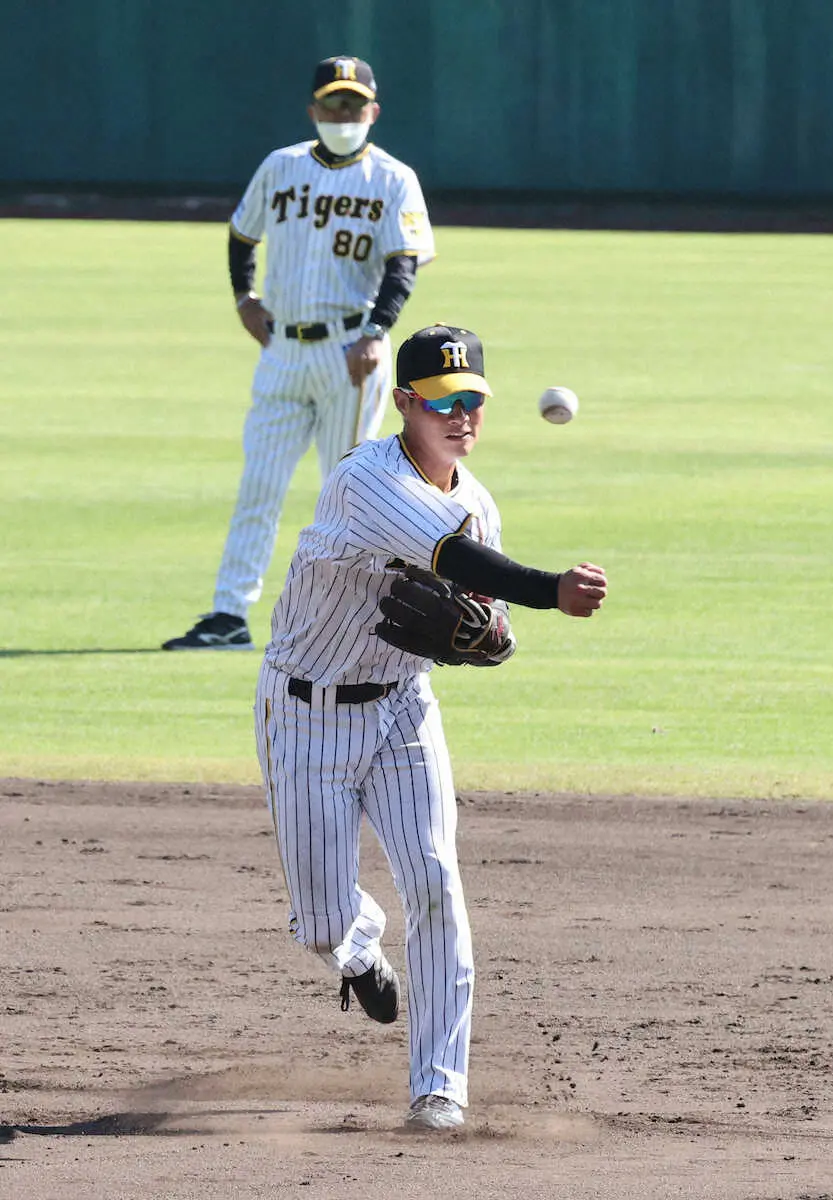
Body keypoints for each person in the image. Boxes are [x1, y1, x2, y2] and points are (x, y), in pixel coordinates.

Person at [253, 324, 609, 1130]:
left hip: (402, 713)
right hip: (304, 714)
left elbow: (483, 619)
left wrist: (495, 637)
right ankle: (357, 945)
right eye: (444, 403)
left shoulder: (477, 502)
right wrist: (551, 590)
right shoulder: (364, 480)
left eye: (473, 401)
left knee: (437, 882)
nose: (462, 417)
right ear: (404, 404)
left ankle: (438, 1088)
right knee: (319, 925)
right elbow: (460, 565)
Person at [163, 55, 434, 651]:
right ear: (313, 110)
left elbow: (403, 265)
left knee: (353, 493)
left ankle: (364, 620)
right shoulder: (281, 167)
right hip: (282, 349)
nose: (343, 115)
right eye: (333, 104)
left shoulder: (392, 178)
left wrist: (375, 330)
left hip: (350, 352)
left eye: (354, 105)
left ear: (373, 111)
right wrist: (245, 298)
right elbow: (242, 234)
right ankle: (228, 614)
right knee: (259, 485)